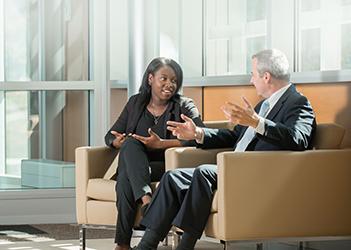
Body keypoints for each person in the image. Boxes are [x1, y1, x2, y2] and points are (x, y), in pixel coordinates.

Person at [133, 49, 316, 250]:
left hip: (258, 172)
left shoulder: (298, 102)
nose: (250, 80)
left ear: (266, 77)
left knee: (204, 172)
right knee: (172, 178)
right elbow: (234, 136)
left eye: (253, 74)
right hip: (233, 168)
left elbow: (299, 139)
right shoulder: (264, 104)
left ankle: (186, 245)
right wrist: (198, 134)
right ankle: (146, 245)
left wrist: (258, 123)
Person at [104, 57, 205, 250]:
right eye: (164, 78)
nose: (170, 85)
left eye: (174, 80)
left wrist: (161, 144)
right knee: (130, 147)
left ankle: (122, 244)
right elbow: (110, 135)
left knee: (126, 175)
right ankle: (146, 200)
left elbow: (200, 136)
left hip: (167, 166)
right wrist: (116, 141)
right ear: (150, 78)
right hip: (138, 166)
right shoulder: (135, 103)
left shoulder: (184, 105)